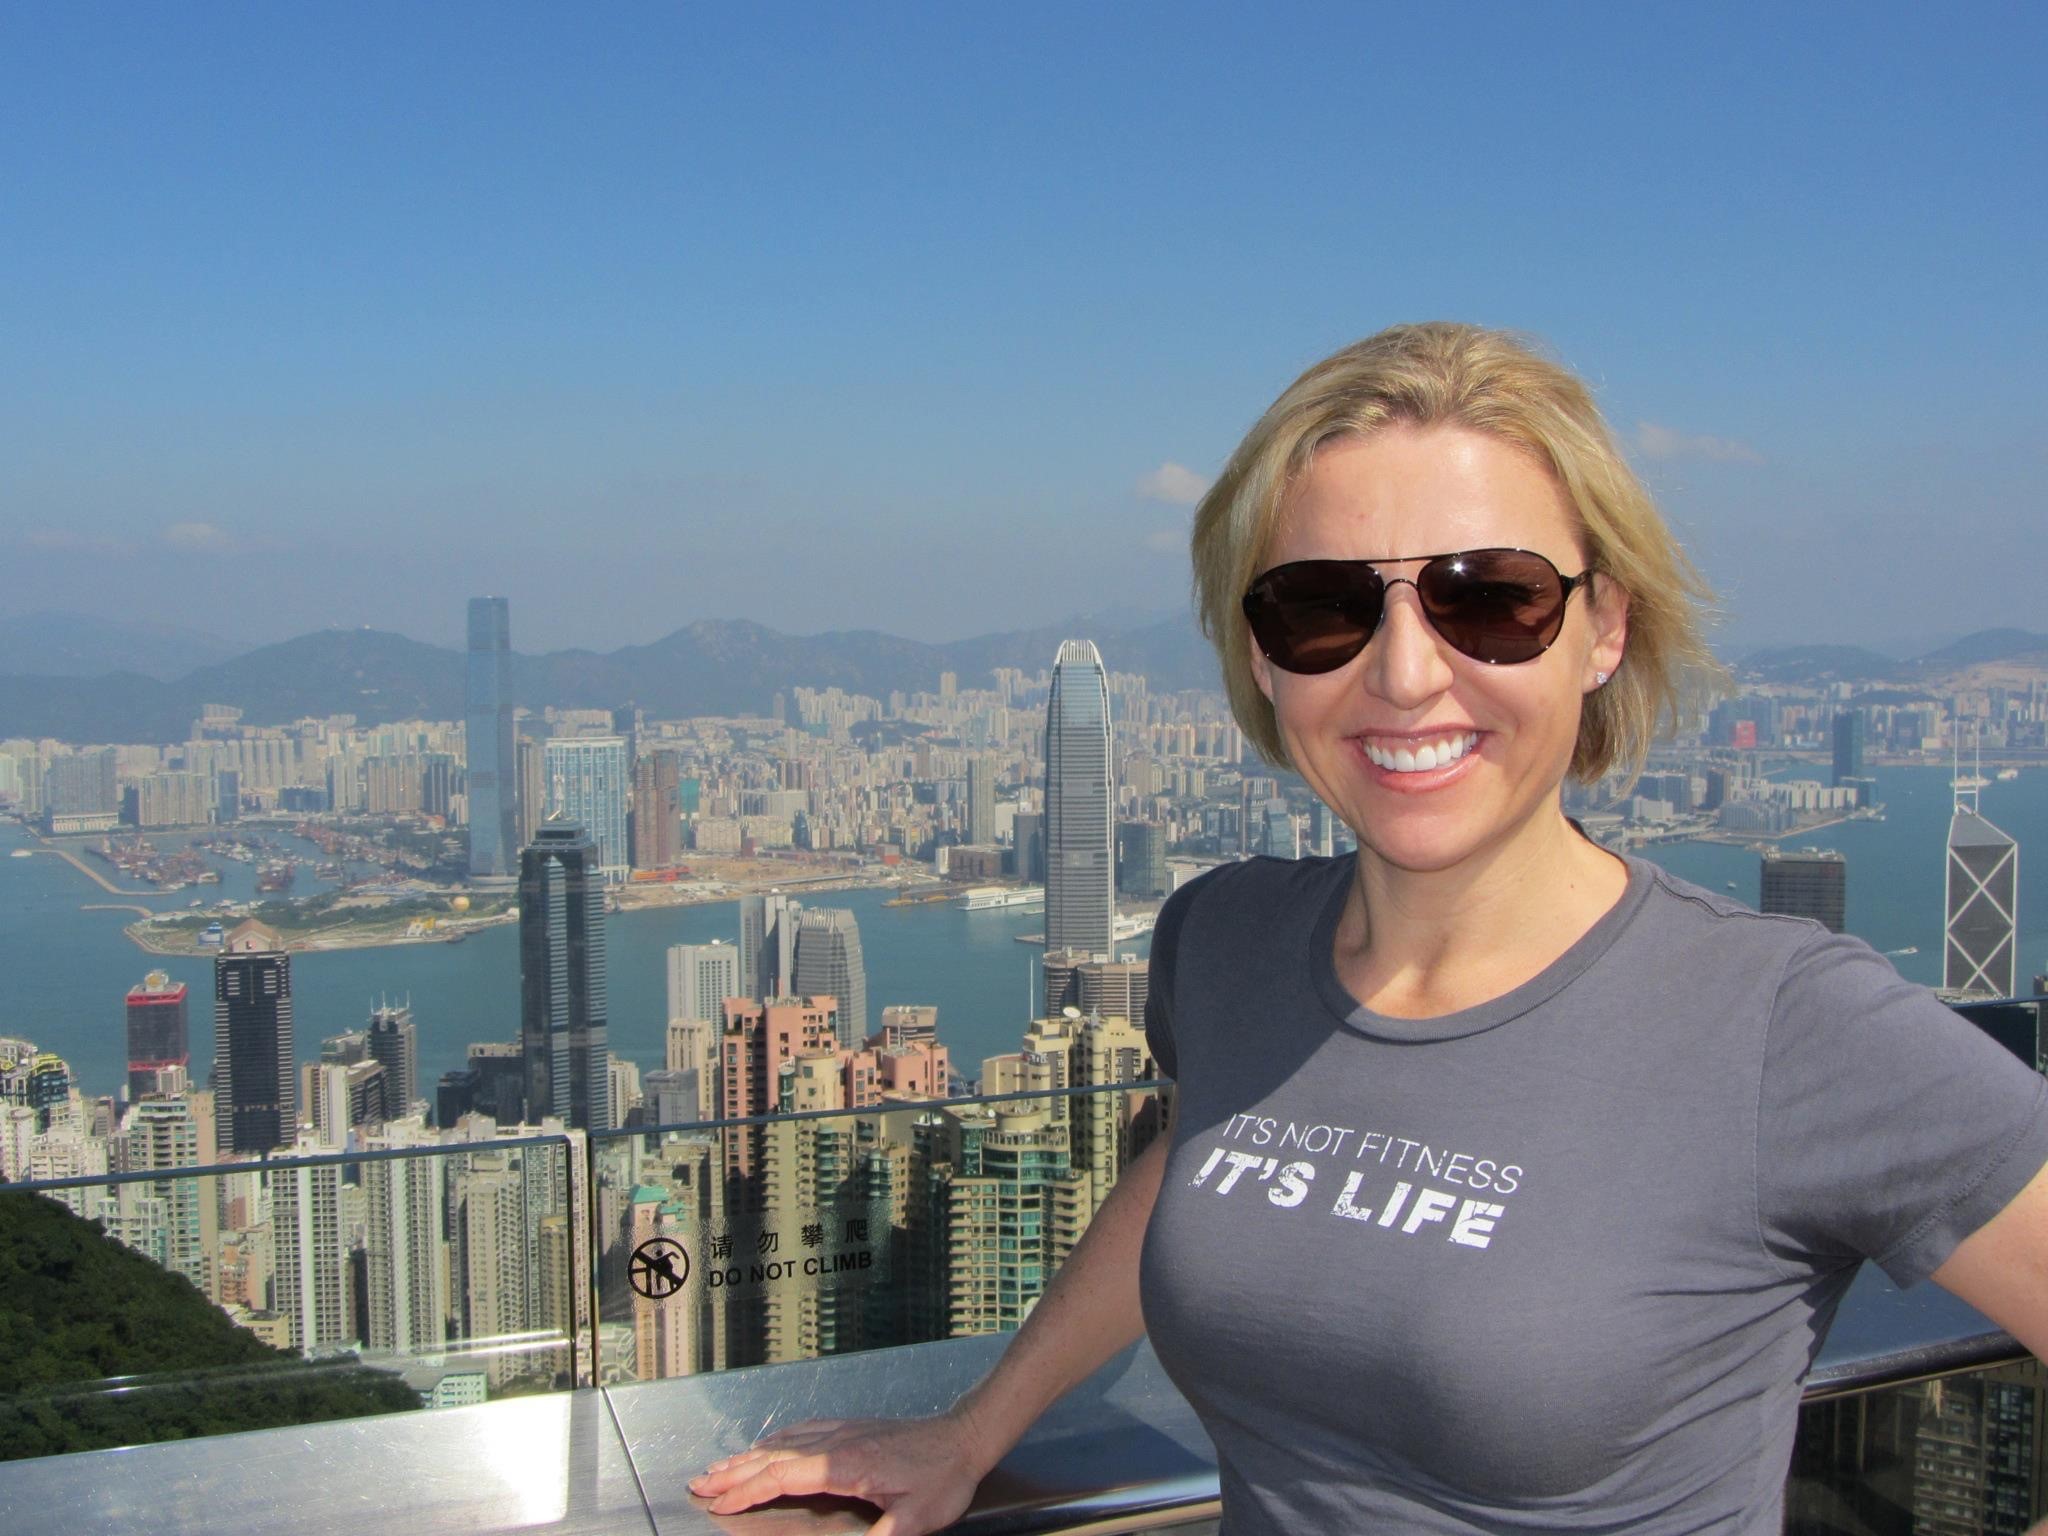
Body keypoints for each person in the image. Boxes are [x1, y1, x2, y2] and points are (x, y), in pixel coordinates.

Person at [691, 323, 2048, 1533]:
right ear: (1262, 656)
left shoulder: (1785, 1024)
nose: (1403, 672)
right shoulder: (1223, 941)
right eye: (1324, 606)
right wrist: (975, 1427)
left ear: (1602, 629)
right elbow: (1207, 1153)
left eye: (1491, 597)